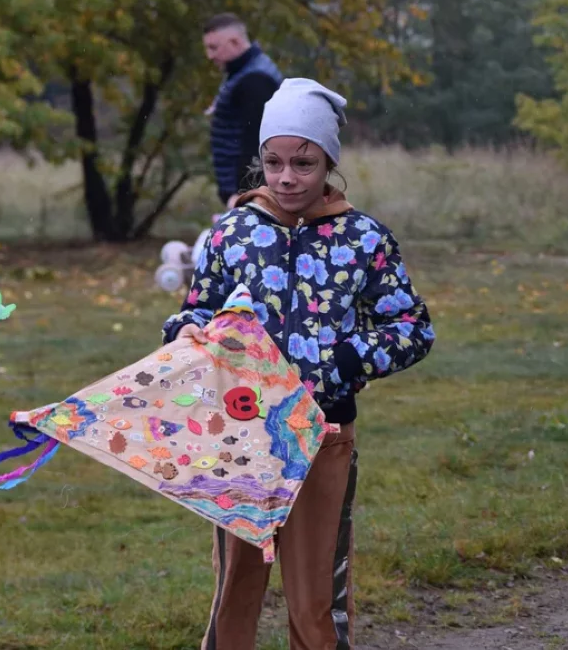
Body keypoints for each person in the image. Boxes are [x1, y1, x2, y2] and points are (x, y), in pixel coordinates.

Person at [163, 78, 435, 650]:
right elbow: (196, 311)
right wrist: (186, 331)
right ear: (260, 160)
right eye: (274, 162)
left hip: (324, 434)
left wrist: (347, 357)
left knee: (316, 596)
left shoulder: (364, 239)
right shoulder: (230, 234)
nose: (287, 177)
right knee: (236, 583)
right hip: (240, 435)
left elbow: (412, 328)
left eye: (304, 163)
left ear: (329, 161)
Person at [203, 13, 283, 208]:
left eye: (214, 48)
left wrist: (246, 198)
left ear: (235, 42)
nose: (210, 56)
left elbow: (257, 144)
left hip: (250, 194)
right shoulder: (243, 72)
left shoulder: (255, 80)